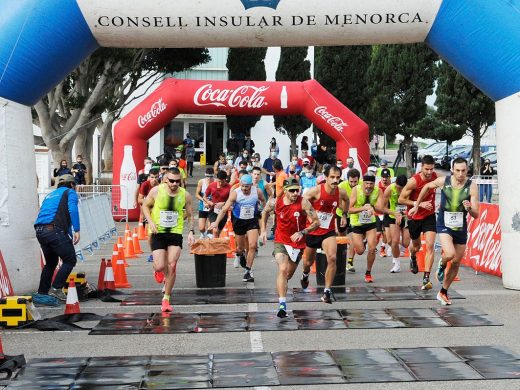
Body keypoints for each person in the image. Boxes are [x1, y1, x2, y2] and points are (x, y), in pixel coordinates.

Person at [409, 158, 479, 305]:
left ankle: (443, 292)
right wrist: (417, 205)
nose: (460, 174)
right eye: (458, 170)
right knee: (450, 254)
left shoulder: (472, 186)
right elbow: (427, 187)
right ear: (452, 170)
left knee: (456, 263)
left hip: (460, 226)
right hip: (444, 224)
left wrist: (469, 208)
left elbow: (476, 214)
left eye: (464, 171)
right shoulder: (444, 181)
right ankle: (442, 263)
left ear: (467, 171)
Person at [260, 178, 320, 318]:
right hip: (281, 241)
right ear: (285, 190)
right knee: (282, 269)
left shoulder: (303, 202)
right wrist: (263, 229)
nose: (295, 193)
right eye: (292, 190)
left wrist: (302, 232)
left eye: (297, 190)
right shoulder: (276, 202)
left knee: (287, 275)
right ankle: (282, 305)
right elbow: (264, 212)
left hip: (297, 243)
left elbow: (316, 222)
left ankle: (304, 276)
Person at [141, 167, 195, 312]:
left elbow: (190, 214)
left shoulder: (185, 195)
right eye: (171, 181)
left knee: (171, 264)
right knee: (160, 266)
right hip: (158, 231)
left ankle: (166, 300)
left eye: (177, 181)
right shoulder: (156, 191)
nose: (174, 183)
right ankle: (159, 270)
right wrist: (150, 222)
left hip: (175, 233)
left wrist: (190, 231)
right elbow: (145, 206)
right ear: (165, 179)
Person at [300, 165, 349, 303]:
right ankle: (305, 274)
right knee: (308, 262)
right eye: (332, 177)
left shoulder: (341, 192)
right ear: (326, 177)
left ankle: (327, 291)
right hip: (313, 230)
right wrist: (310, 217)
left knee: (332, 258)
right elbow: (301, 202)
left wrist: (344, 215)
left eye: (338, 178)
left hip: (328, 231)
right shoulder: (316, 191)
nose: (335, 180)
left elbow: (347, 200)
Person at [209, 174, 266, 282]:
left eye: (247, 186)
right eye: (243, 186)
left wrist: (262, 209)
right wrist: (216, 222)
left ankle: (248, 271)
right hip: (239, 221)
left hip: (251, 220)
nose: (244, 188)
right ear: (240, 184)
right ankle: (240, 255)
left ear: (251, 185)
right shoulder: (236, 193)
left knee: (253, 245)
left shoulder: (257, 192)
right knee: (240, 248)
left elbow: (263, 200)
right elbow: (224, 209)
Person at [33, 174, 80, 304]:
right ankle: (56, 288)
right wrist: (77, 229)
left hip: (40, 230)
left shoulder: (50, 195)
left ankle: (42, 293)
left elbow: (55, 214)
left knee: (51, 263)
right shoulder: (70, 192)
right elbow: (73, 210)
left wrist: (68, 232)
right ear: (72, 184)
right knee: (70, 259)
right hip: (53, 230)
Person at [398, 155, 438, 290]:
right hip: (414, 217)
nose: (429, 172)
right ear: (421, 167)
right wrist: (418, 204)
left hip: (429, 216)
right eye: (426, 169)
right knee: (416, 247)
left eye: (431, 169)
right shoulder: (414, 181)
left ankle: (426, 278)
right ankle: (413, 256)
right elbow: (401, 200)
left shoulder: (435, 177)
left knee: (430, 245)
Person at [349, 174, 384, 283]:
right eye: (367, 183)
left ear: (374, 184)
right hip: (357, 223)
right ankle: (363, 242)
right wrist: (363, 208)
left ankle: (368, 272)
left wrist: (373, 208)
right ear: (363, 183)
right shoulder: (356, 190)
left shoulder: (378, 191)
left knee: (372, 248)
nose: (369, 186)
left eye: (371, 184)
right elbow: (349, 209)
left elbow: (380, 208)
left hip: (370, 223)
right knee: (359, 251)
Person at [381, 175, 410, 273]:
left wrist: (404, 214)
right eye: (398, 188)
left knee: (406, 244)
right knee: (394, 241)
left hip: (406, 217)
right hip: (393, 217)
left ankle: (398, 244)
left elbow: (414, 204)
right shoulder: (389, 189)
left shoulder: (410, 188)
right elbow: (383, 208)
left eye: (402, 189)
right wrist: (394, 213)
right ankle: (397, 265)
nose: (400, 190)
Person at [337, 168, 360, 272]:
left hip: (355, 216)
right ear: (347, 179)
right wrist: (345, 213)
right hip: (341, 214)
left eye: (356, 181)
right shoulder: (341, 186)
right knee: (341, 239)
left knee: (352, 240)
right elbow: (338, 203)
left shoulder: (362, 185)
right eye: (351, 181)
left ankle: (350, 262)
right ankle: (339, 261)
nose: (353, 184)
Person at [204, 170, 232, 238]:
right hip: (213, 210)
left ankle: (215, 244)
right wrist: (208, 202)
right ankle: (213, 244)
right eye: (219, 181)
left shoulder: (229, 187)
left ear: (225, 180)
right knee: (215, 230)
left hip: (223, 212)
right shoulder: (212, 185)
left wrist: (224, 203)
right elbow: (204, 196)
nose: (220, 183)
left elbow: (232, 200)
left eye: (222, 182)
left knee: (218, 232)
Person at [375, 168, 392, 257]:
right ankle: (372, 245)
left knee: (385, 233)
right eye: (383, 177)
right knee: (378, 233)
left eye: (386, 177)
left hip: (387, 212)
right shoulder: (377, 186)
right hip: (378, 212)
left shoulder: (392, 186)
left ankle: (382, 248)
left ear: (390, 177)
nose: (384, 179)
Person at [195, 168, 215, 238]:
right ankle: (203, 234)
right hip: (202, 206)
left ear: (213, 175)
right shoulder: (201, 182)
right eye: (207, 176)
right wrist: (204, 200)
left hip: (212, 207)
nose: (209, 178)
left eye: (211, 176)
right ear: (205, 175)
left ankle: (209, 240)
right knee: (201, 228)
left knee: (210, 228)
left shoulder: (216, 182)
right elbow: (197, 194)